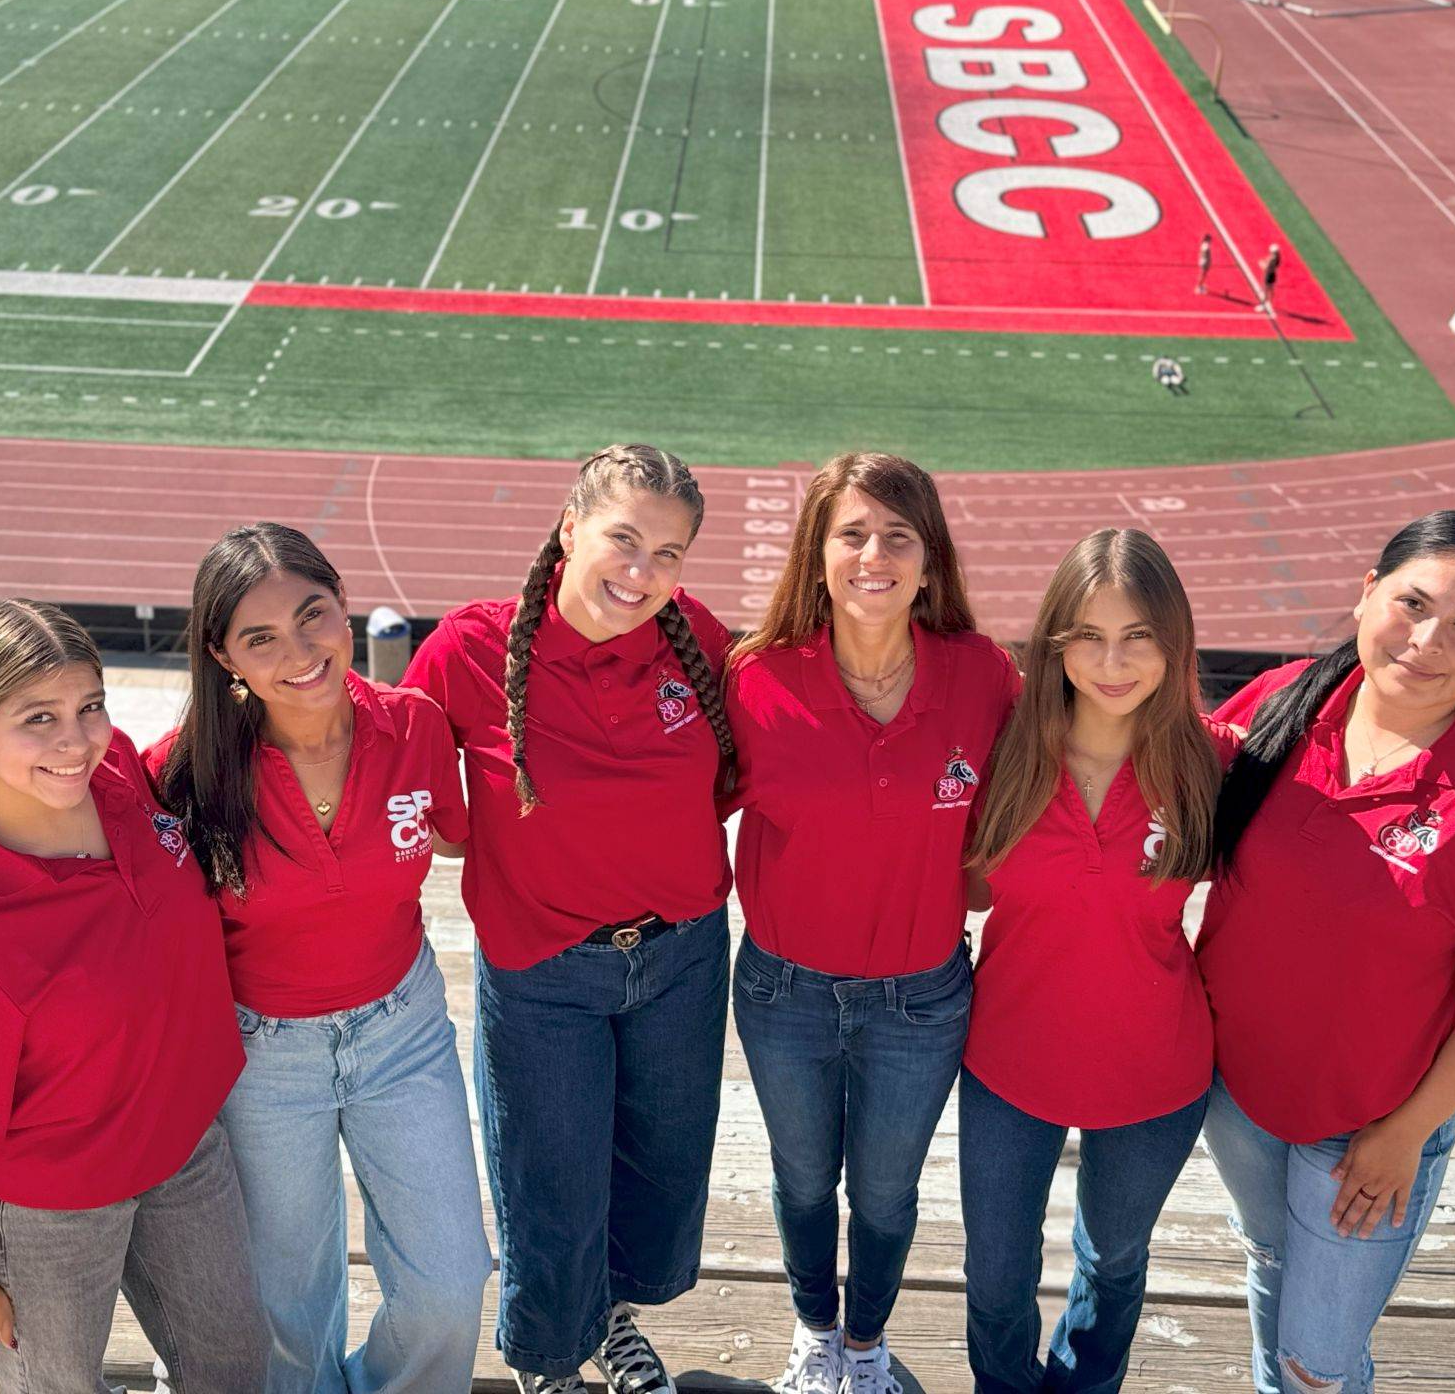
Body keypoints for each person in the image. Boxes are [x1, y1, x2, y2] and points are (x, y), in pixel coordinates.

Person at [1198, 510, 1455, 1394]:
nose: (1426, 642)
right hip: (1238, 1089)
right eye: (1411, 602)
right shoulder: (1289, 700)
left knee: (1318, 1365)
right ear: (1366, 592)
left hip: (1372, 1125)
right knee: (1270, 1260)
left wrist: (1404, 1135)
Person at [402, 444, 737, 1394]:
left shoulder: (696, 641)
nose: (641, 573)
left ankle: (610, 1315)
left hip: (681, 957)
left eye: (667, 555)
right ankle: (549, 1357)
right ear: (568, 529)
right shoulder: (470, 649)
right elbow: (414, 787)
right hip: (543, 969)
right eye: (623, 540)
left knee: (661, 1176)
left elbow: (728, 782)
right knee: (550, 1184)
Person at [0, 600, 266, 1393]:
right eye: (37, 719)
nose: (75, 740)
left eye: (89, 706)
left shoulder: (118, 771)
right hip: (49, 1208)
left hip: (183, 1153)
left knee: (235, 1369)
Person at [147, 524, 491, 1394]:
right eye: (261, 638)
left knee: (451, 1286)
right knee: (285, 1312)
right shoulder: (179, 776)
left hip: (402, 1032)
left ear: (345, 608)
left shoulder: (415, 727)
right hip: (260, 1058)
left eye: (315, 616)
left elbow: (464, 836)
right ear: (223, 655)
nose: (300, 652)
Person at [723, 452, 1016, 1394]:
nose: (873, 555)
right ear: (817, 554)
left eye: (899, 536)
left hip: (921, 999)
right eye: (852, 534)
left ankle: (865, 1345)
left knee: (887, 1192)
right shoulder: (756, 677)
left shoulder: (982, 678)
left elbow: (1010, 826)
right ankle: (814, 1331)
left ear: (931, 560)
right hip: (784, 992)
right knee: (804, 1181)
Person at [958, 529, 1233, 1393]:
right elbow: (959, 883)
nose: (1112, 663)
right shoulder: (1003, 749)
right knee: (997, 1271)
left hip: (1154, 1070)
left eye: (1138, 636)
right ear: (1054, 643)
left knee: (1113, 1261)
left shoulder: (1214, 762)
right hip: (1007, 1060)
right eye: (1088, 636)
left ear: (1173, 642)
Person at [1259, 244, 1282, 312]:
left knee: (1266, 291)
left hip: (1268, 275)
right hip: (1273, 275)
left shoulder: (1272, 259)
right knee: (1271, 289)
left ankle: (1263, 305)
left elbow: (1265, 268)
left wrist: (1260, 263)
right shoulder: (1277, 257)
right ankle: (1269, 303)